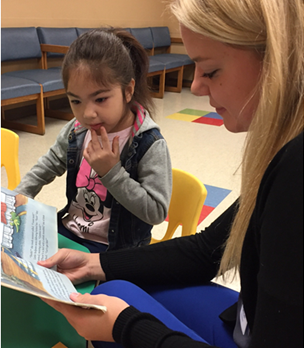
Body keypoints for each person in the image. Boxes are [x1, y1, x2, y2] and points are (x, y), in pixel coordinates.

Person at [38, 0, 303, 347]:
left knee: (109, 310)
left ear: (276, 62)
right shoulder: (281, 156)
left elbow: (154, 210)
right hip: (244, 317)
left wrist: (125, 326)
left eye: (210, 70)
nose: (195, 87)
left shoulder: (294, 178)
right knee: (112, 289)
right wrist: (95, 263)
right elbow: (209, 248)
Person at [15, 28, 172, 253]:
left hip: (116, 250)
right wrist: (22, 193)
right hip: (69, 232)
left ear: (128, 90)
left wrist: (112, 173)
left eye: (100, 99)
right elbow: (48, 164)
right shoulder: (77, 130)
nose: (88, 114)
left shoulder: (149, 144)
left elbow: (156, 212)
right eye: (76, 101)